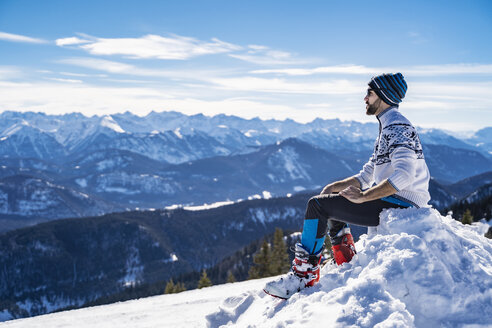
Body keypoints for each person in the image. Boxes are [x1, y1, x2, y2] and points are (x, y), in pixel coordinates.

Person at [264, 73, 431, 299]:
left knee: (317, 206)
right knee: (331, 199)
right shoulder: (389, 126)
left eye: (370, 93)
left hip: (401, 206)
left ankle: (304, 275)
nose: (365, 98)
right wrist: (334, 186)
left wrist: (364, 197)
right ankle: (345, 259)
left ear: (384, 96)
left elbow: (404, 176)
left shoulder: (397, 127)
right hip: (395, 202)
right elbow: (366, 176)